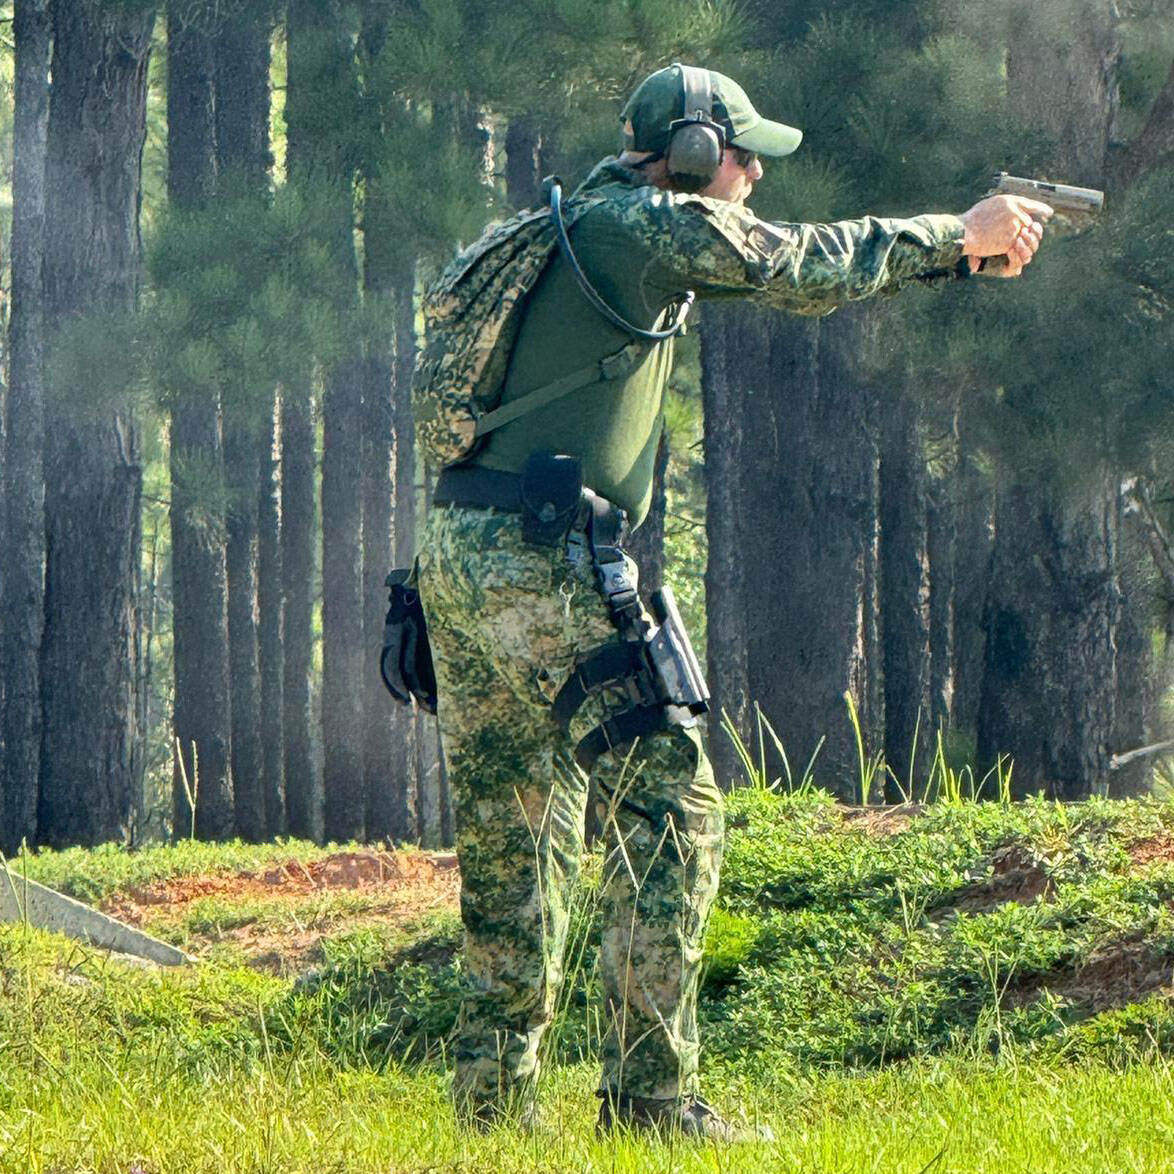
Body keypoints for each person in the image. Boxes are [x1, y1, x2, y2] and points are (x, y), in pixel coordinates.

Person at [414, 62, 1051, 1140]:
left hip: (463, 554)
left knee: (514, 830)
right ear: (698, 154)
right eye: (744, 155)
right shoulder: (647, 223)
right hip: (546, 552)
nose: (754, 176)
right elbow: (798, 266)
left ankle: (488, 1114)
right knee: (672, 813)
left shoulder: (564, 226)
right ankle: (652, 1105)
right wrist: (960, 234)